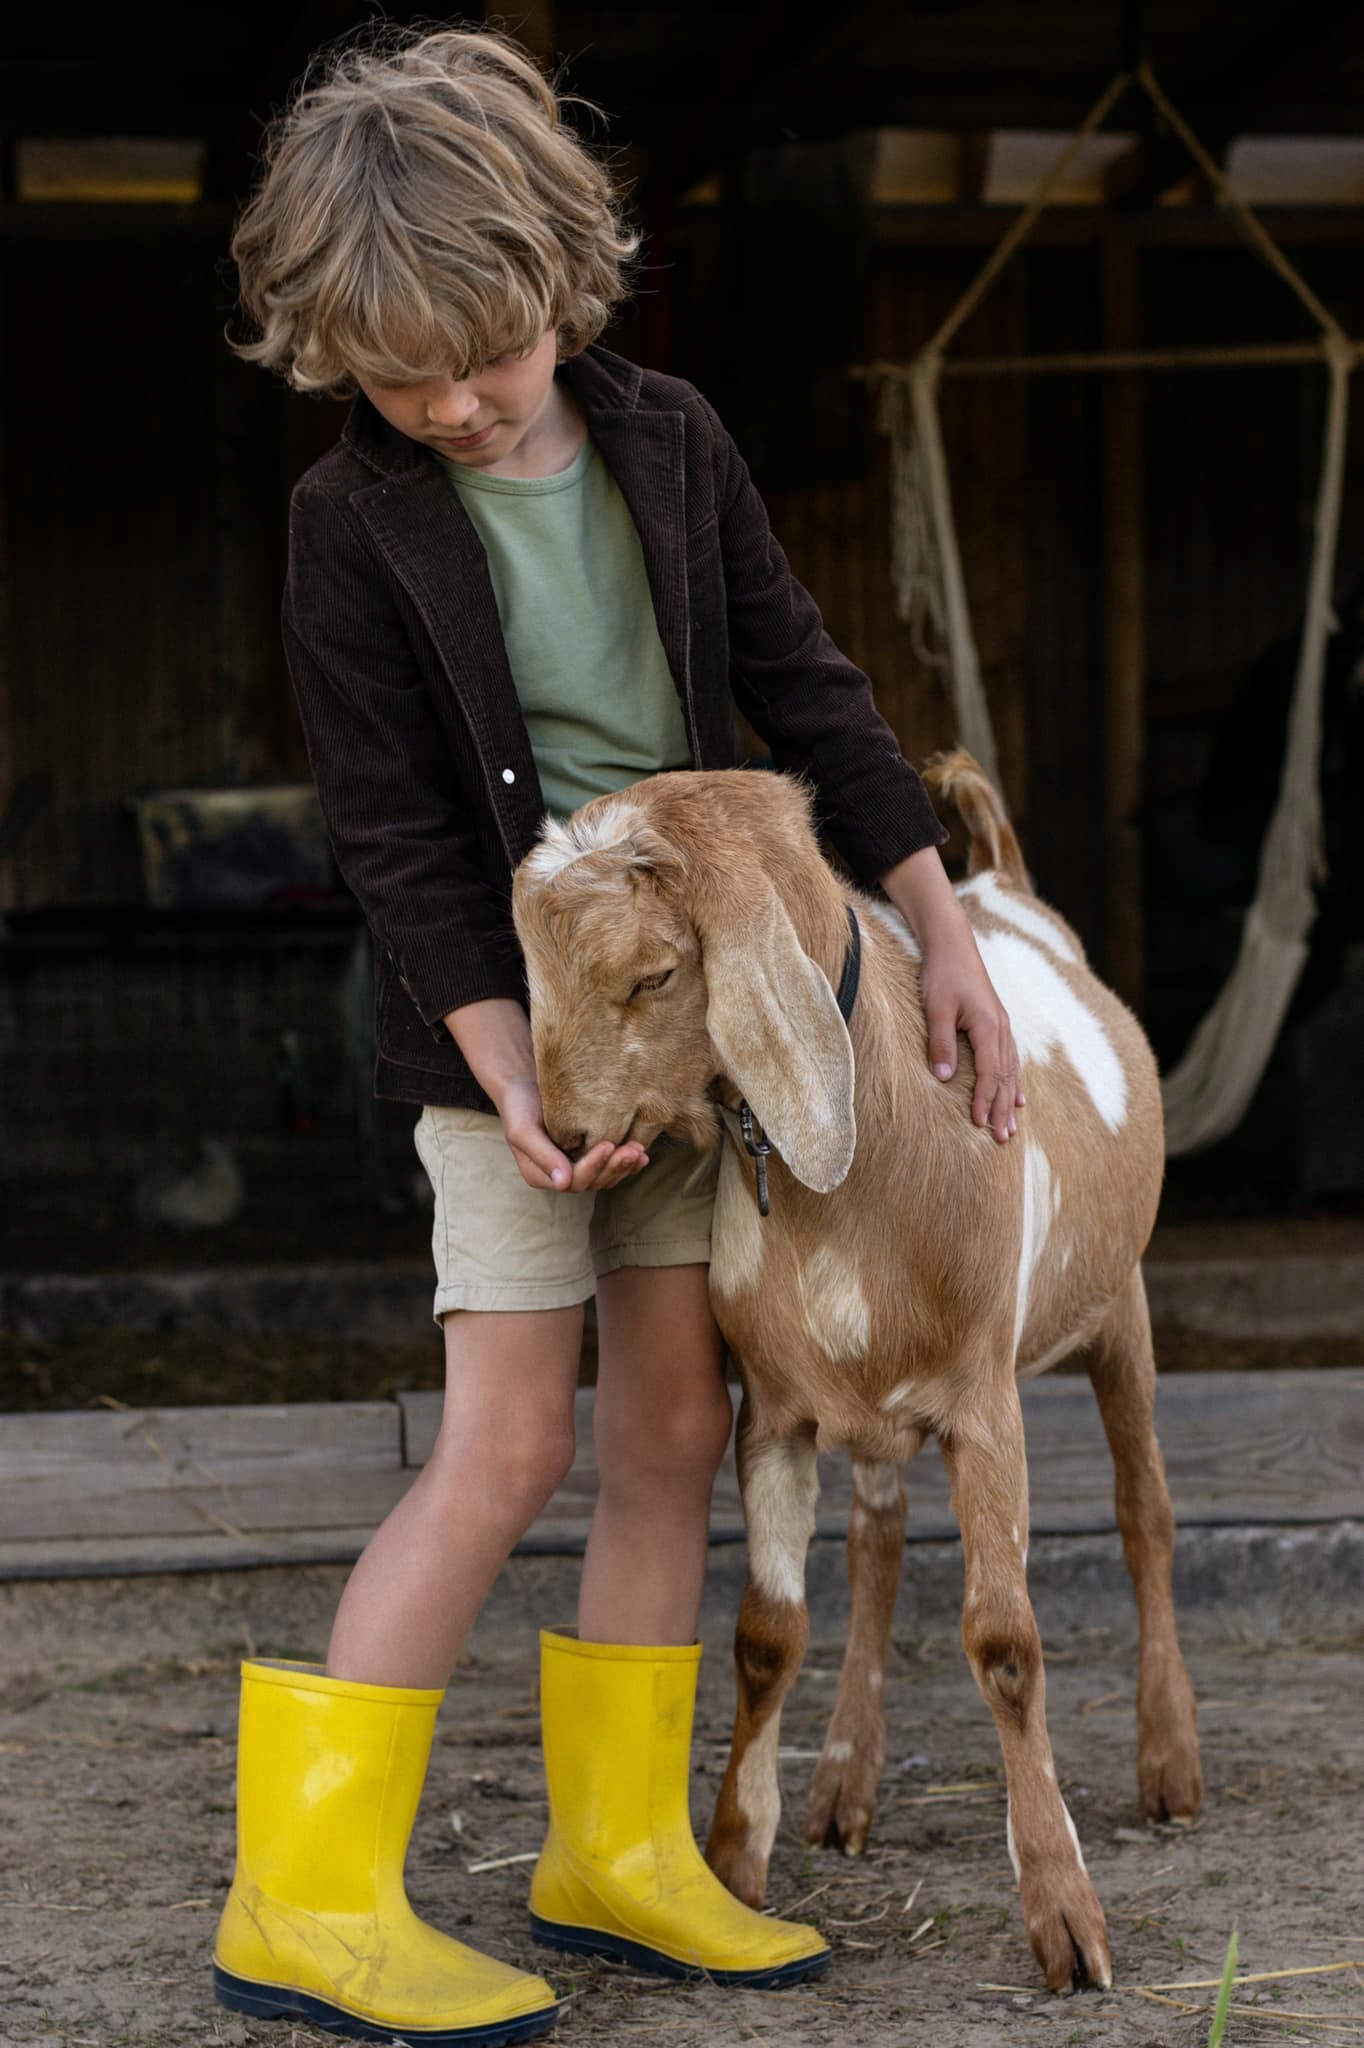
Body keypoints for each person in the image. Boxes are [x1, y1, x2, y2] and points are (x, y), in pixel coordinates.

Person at [215, 26, 1022, 2046]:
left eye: (477, 353)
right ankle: (302, 1899)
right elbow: (398, 841)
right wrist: (509, 1072)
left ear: (561, 283)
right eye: (394, 375)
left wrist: (945, 930)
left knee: (678, 1425)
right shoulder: (350, 525)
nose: (448, 403)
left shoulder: (667, 441)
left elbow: (807, 683)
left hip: (695, 1043)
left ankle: (619, 1854)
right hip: (500, 1051)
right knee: (508, 1439)